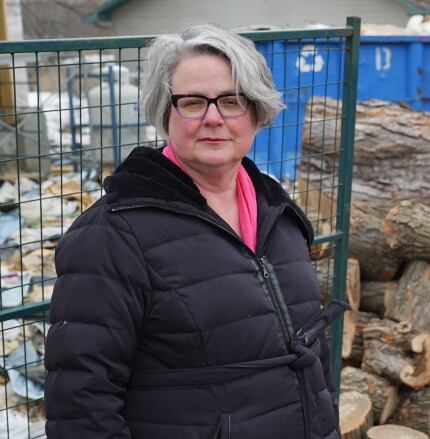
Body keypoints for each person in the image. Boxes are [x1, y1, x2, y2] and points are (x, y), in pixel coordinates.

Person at [44, 24, 345, 439]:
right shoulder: (112, 236)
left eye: (232, 101)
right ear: (164, 112)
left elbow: (312, 356)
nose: (214, 118)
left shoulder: (277, 211)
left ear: (256, 112)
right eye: (192, 102)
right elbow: (81, 404)